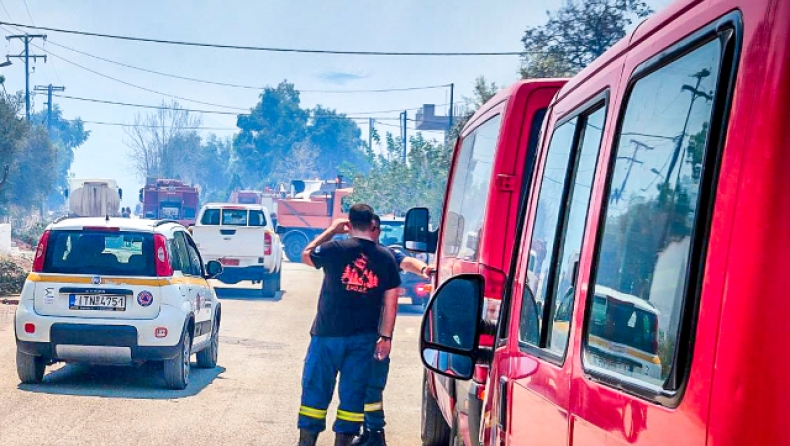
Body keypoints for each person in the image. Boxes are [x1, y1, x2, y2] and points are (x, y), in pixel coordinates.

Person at [297, 204, 402, 446]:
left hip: (327, 334)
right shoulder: (385, 257)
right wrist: (386, 337)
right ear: (373, 225)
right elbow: (391, 301)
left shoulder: (334, 249)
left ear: (349, 224)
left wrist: (332, 231)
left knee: (315, 391)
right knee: (353, 396)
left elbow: (306, 254)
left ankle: (306, 442)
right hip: (364, 339)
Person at [352, 215, 432, 446]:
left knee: (372, 385)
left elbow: (407, 261)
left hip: (375, 332)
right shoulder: (348, 252)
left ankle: (375, 433)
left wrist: (425, 269)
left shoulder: (386, 255)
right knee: (356, 386)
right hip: (351, 332)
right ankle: (366, 431)